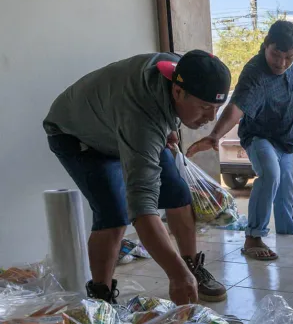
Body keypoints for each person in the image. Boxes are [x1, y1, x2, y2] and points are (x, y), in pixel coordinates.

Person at [44, 50, 231, 304]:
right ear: (177, 92)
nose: (211, 118)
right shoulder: (142, 120)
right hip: (78, 136)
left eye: (217, 108)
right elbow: (142, 208)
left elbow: (162, 111)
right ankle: (102, 299)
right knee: (114, 214)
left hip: (119, 123)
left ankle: (191, 268)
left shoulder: (182, 69)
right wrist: (174, 275)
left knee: (178, 193)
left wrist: (171, 126)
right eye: (205, 108)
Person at [188, 20, 293, 260]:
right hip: (260, 136)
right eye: (276, 55)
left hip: (286, 140)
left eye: (289, 58)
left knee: (286, 193)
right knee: (270, 174)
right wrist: (215, 135)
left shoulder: (290, 67)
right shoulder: (254, 73)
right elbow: (236, 107)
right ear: (265, 46)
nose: (281, 63)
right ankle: (253, 237)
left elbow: (292, 86)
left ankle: (288, 235)